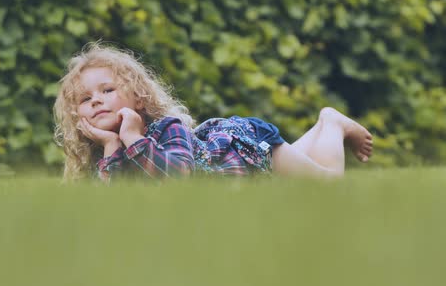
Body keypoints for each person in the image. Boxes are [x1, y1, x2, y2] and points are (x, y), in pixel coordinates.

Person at [53, 42, 373, 182]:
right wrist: (111, 146)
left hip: (244, 152)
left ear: (138, 99)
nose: (96, 101)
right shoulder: (101, 155)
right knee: (288, 181)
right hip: (243, 181)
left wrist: (133, 137)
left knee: (327, 188)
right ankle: (318, 131)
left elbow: (178, 177)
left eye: (107, 91)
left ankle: (331, 123)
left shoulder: (167, 129)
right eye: (85, 99)